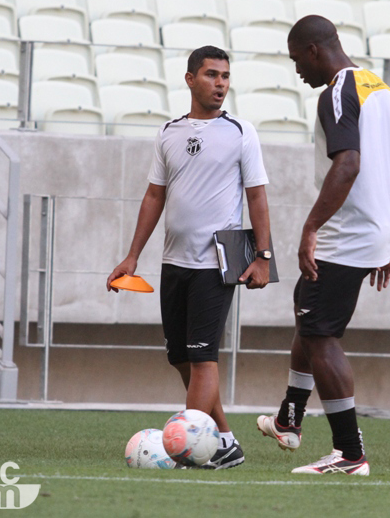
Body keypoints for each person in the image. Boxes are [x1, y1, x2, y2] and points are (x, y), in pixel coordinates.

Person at [108, 45, 272, 470]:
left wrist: (264, 256)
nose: (220, 83)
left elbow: (257, 196)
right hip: (172, 261)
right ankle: (226, 442)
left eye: (225, 76)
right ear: (190, 79)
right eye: (212, 75)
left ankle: (188, 450)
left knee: (203, 358)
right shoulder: (168, 132)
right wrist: (132, 256)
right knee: (181, 357)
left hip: (217, 264)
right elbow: (154, 195)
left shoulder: (241, 131)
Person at [257, 15, 390, 476]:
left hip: (347, 234)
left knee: (322, 335)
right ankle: (289, 418)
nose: (297, 69)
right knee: (307, 307)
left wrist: (309, 228)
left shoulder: (336, 92)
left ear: (314, 50)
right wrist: (389, 235)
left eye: (296, 59)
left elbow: (348, 164)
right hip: (372, 231)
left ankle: (349, 453)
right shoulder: (379, 89)